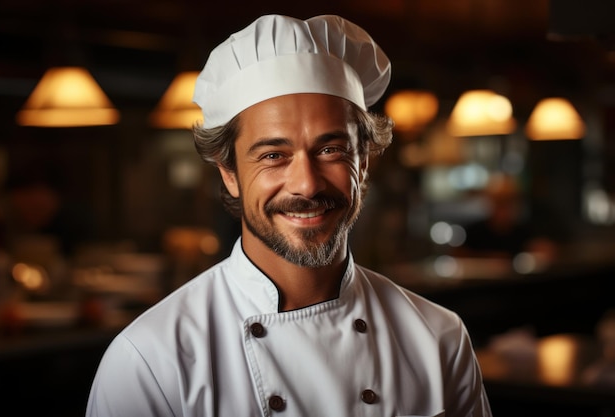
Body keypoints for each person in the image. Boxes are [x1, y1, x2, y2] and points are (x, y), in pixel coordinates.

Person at [86, 14, 491, 417]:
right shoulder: (150, 361)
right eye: (273, 156)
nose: (307, 185)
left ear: (364, 163)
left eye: (331, 149)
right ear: (229, 174)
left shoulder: (438, 337)